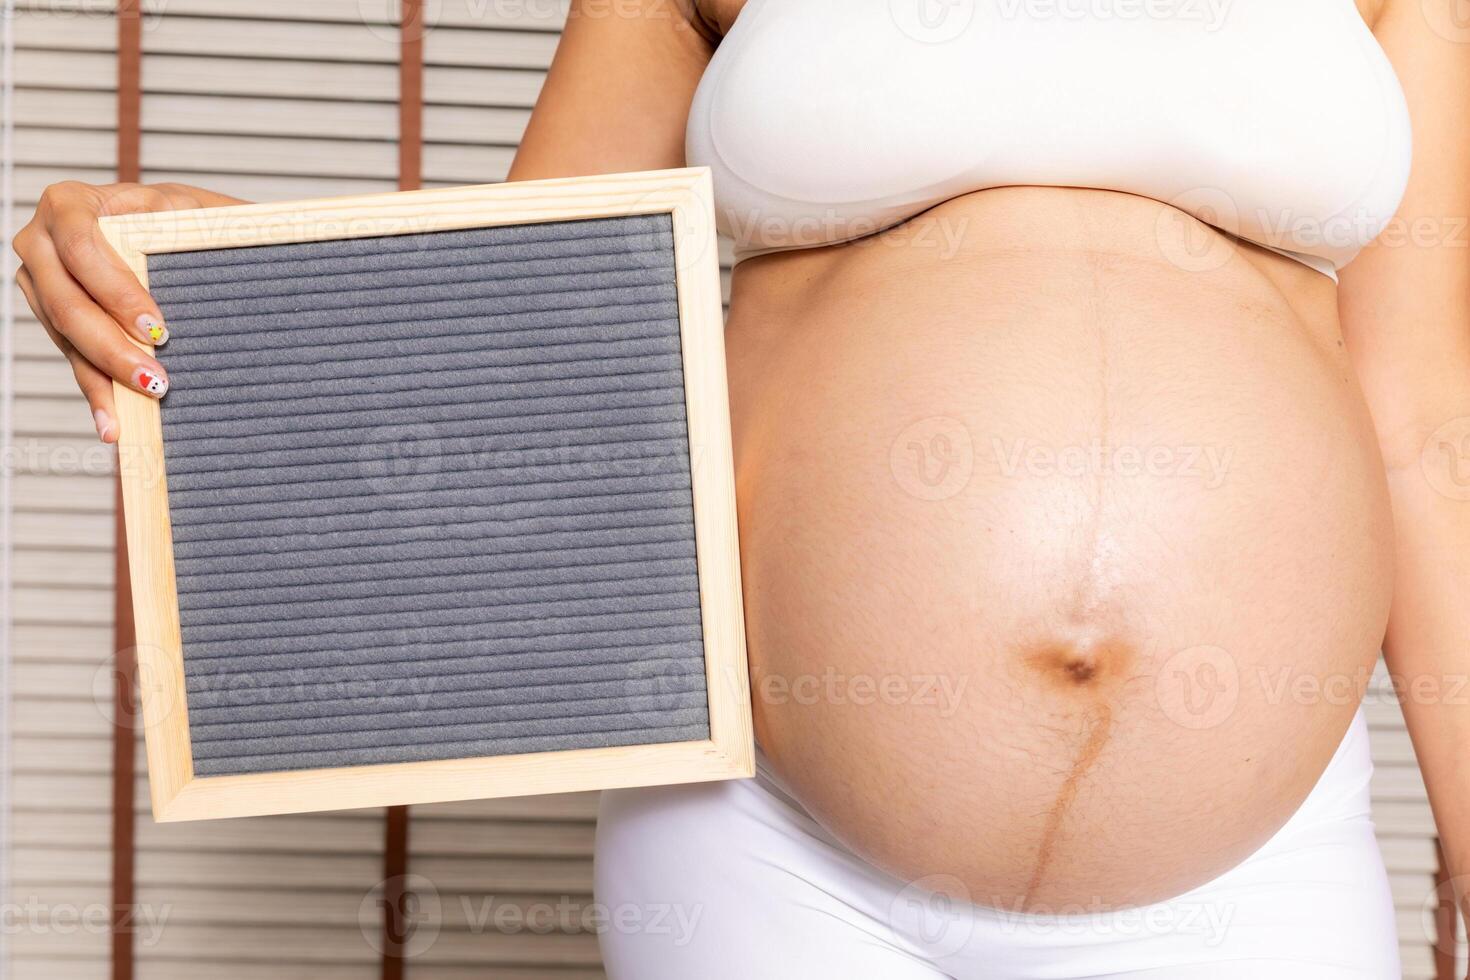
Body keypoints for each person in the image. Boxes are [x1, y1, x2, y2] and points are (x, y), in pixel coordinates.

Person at [14, 1, 1470, 976]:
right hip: (767, 840)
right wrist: (198, 264)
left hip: (1254, 852)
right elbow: (514, 332)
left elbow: (1417, 419)